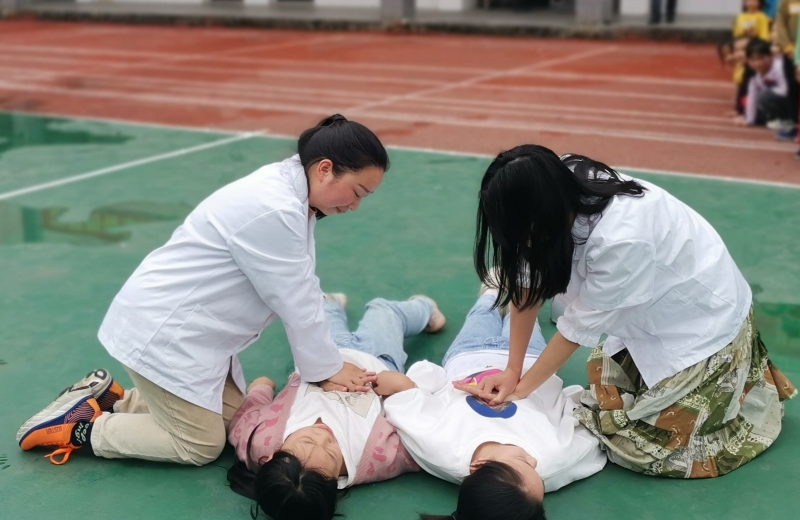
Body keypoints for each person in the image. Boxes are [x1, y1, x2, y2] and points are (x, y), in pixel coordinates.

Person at [17, 114, 390, 466]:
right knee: (199, 444)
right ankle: (75, 428)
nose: (355, 206)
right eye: (357, 191)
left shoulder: (290, 194)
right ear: (324, 169)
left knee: (233, 420)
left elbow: (299, 287)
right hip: (165, 330)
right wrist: (326, 368)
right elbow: (297, 298)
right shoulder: (273, 207)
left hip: (188, 330)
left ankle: (111, 399)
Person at [461, 146, 796, 479]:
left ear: (541, 216)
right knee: (614, 401)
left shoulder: (621, 238)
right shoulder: (548, 183)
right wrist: (512, 370)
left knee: (648, 450)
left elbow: (576, 329)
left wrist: (522, 390)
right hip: (650, 306)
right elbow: (526, 287)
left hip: (702, 318)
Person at [383, 283, 605, 520]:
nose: (533, 460)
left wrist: (432, 381)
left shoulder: (439, 448)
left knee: (482, 313)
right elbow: (591, 432)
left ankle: (492, 290)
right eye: (539, 477)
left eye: (523, 462)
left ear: (478, 465)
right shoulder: (556, 461)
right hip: (532, 360)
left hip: (469, 354)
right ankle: (512, 290)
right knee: (524, 313)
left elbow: (407, 400)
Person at [226, 292, 445, 520]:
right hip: (376, 359)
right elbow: (421, 437)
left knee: (318, 310)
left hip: (320, 355)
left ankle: (329, 303)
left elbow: (244, 419)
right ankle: (424, 308)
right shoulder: (378, 459)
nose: (323, 436)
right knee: (384, 312)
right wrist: (404, 386)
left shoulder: (259, 442)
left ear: (272, 457)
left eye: (306, 440)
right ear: (337, 482)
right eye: (331, 453)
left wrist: (260, 388)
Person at [735, 37, 796, 131]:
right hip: (776, 100)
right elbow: (752, 97)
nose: (757, 63)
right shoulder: (754, 76)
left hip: (791, 100)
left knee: (764, 95)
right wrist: (749, 120)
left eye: (760, 58)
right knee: (753, 103)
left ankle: (786, 119)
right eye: (752, 60)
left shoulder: (780, 66)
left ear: (770, 56)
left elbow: (786, 90)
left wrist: (768, 91)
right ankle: (774, 118)